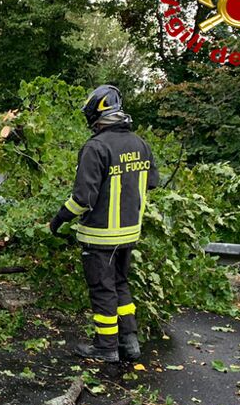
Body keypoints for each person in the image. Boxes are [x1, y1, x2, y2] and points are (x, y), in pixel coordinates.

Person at [49, 85, 160, 363]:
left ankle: (105, 346)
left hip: (100, 235)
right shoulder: (140, 144)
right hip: (130, 232)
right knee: (121, 283)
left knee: (102, 289)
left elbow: (83, 198)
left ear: (96, 113)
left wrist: (60, 218)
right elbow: (153, 183)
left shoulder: (96, 147)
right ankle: (129, 342)